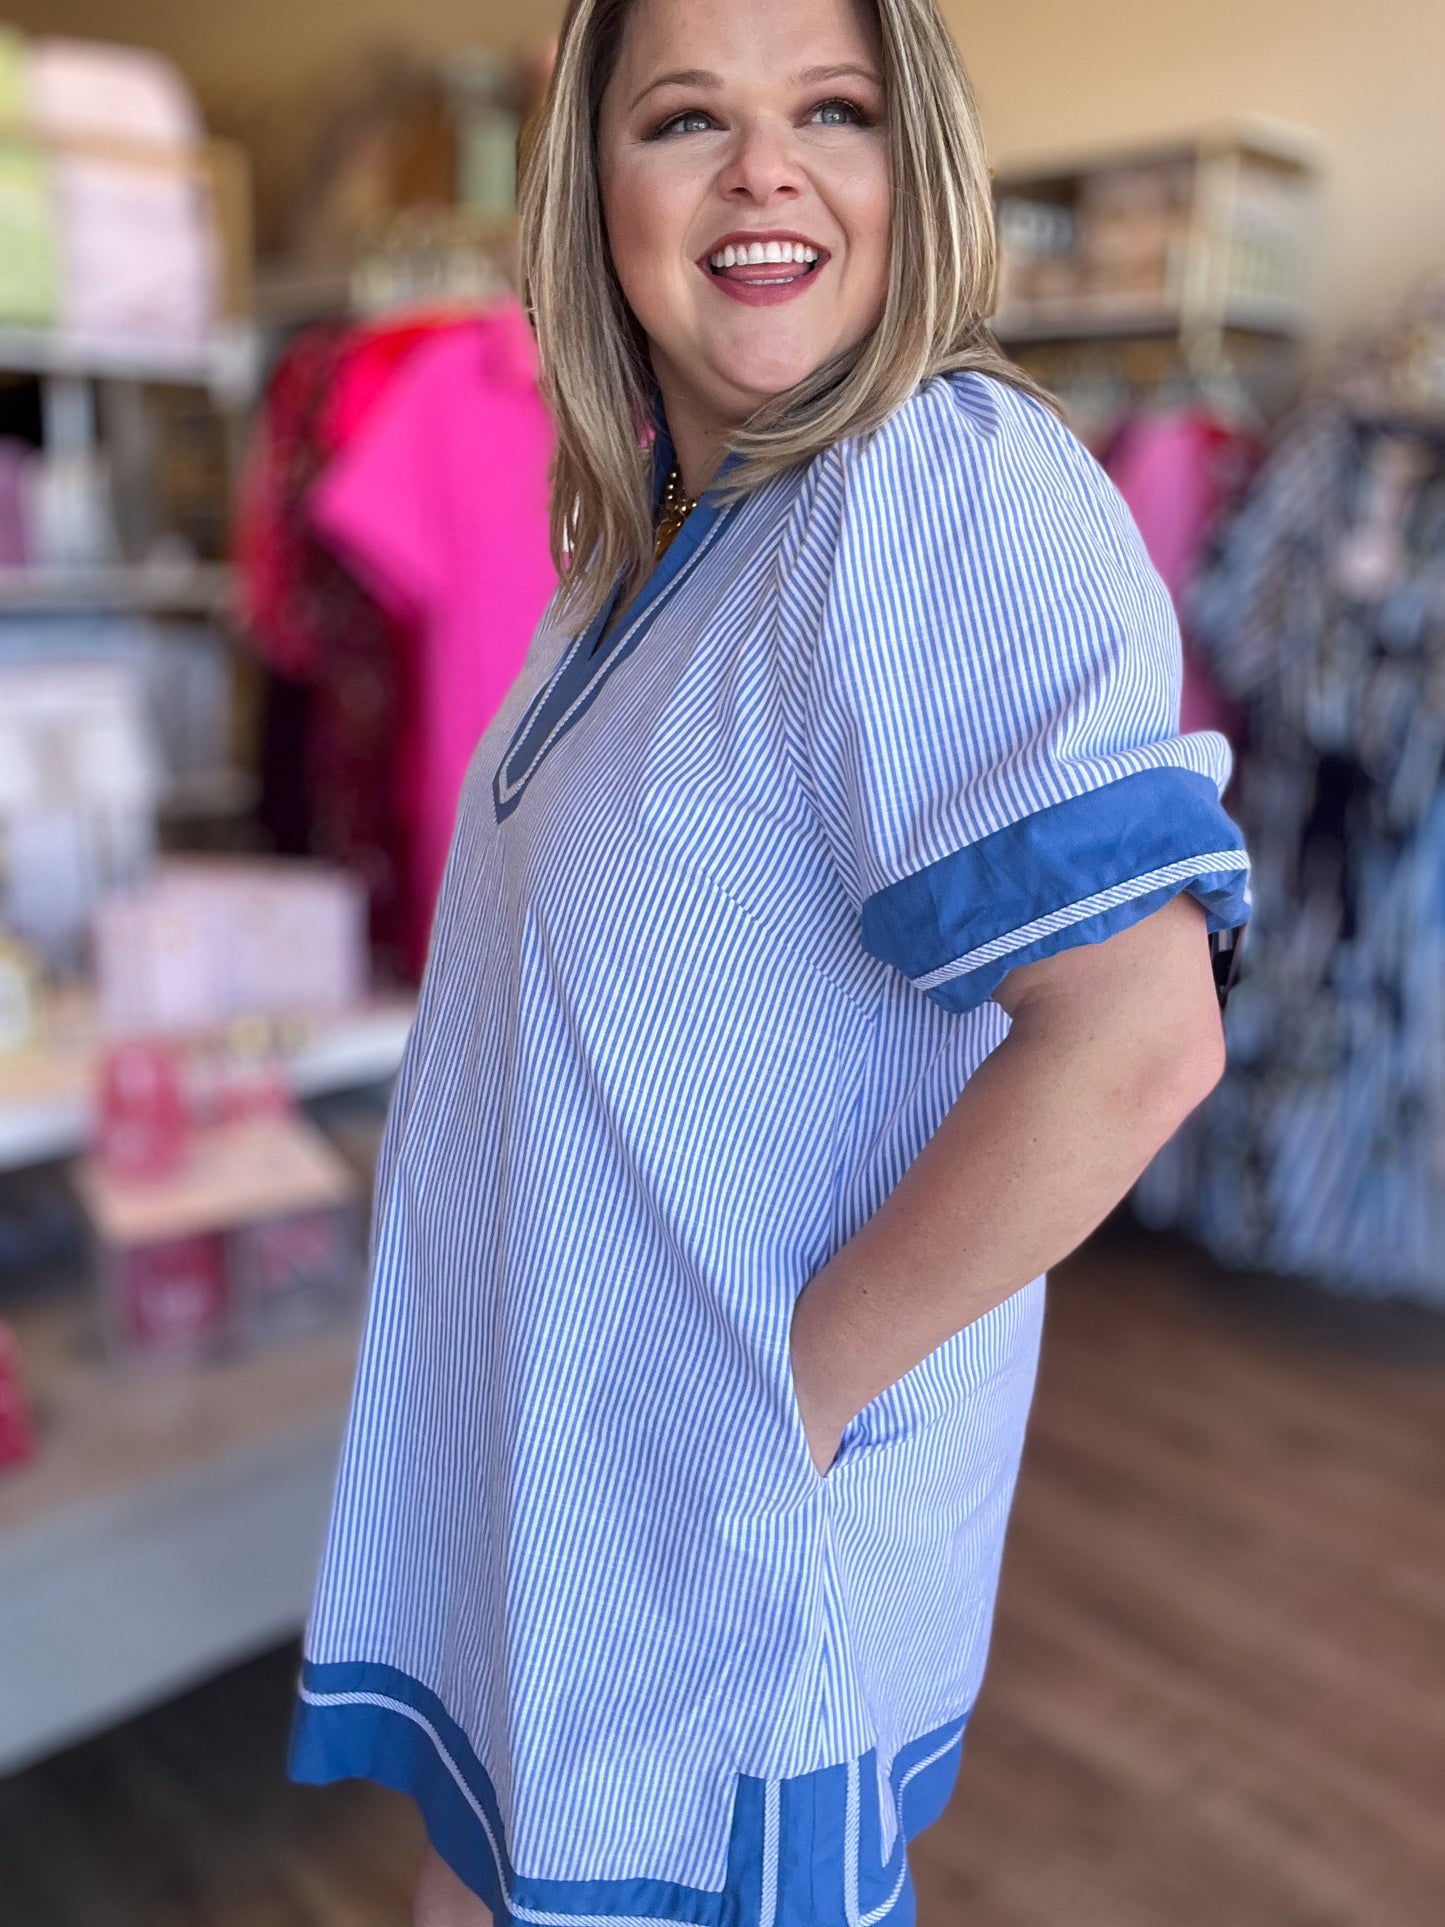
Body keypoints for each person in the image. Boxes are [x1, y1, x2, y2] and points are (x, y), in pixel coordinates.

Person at [289, 2, 1252, 1923]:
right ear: (594, 191)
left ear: (920, 168)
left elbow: (1133, 1041)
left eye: (832, 109)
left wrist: (771, 1406)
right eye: (682, 119)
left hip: (718, 1571)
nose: (762, 172)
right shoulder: (640, 554)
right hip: (582, 1517)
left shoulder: (927, 485)